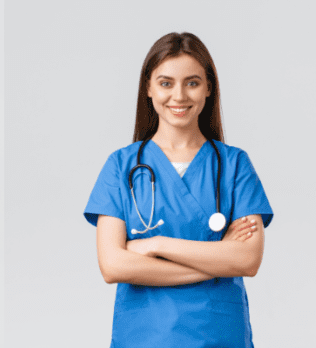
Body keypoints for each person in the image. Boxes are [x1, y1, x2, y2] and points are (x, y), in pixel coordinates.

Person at [84, 32, 273, 347]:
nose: (179, 96)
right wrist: (215, 263)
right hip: (145, 337)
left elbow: (247, 260)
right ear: (149, 87)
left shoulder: (235, 165)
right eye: (166, 83)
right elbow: (113, 265)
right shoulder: (121, 166)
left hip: (219, 335)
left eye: (193, 82)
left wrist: (156, 244)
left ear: (208, 88)